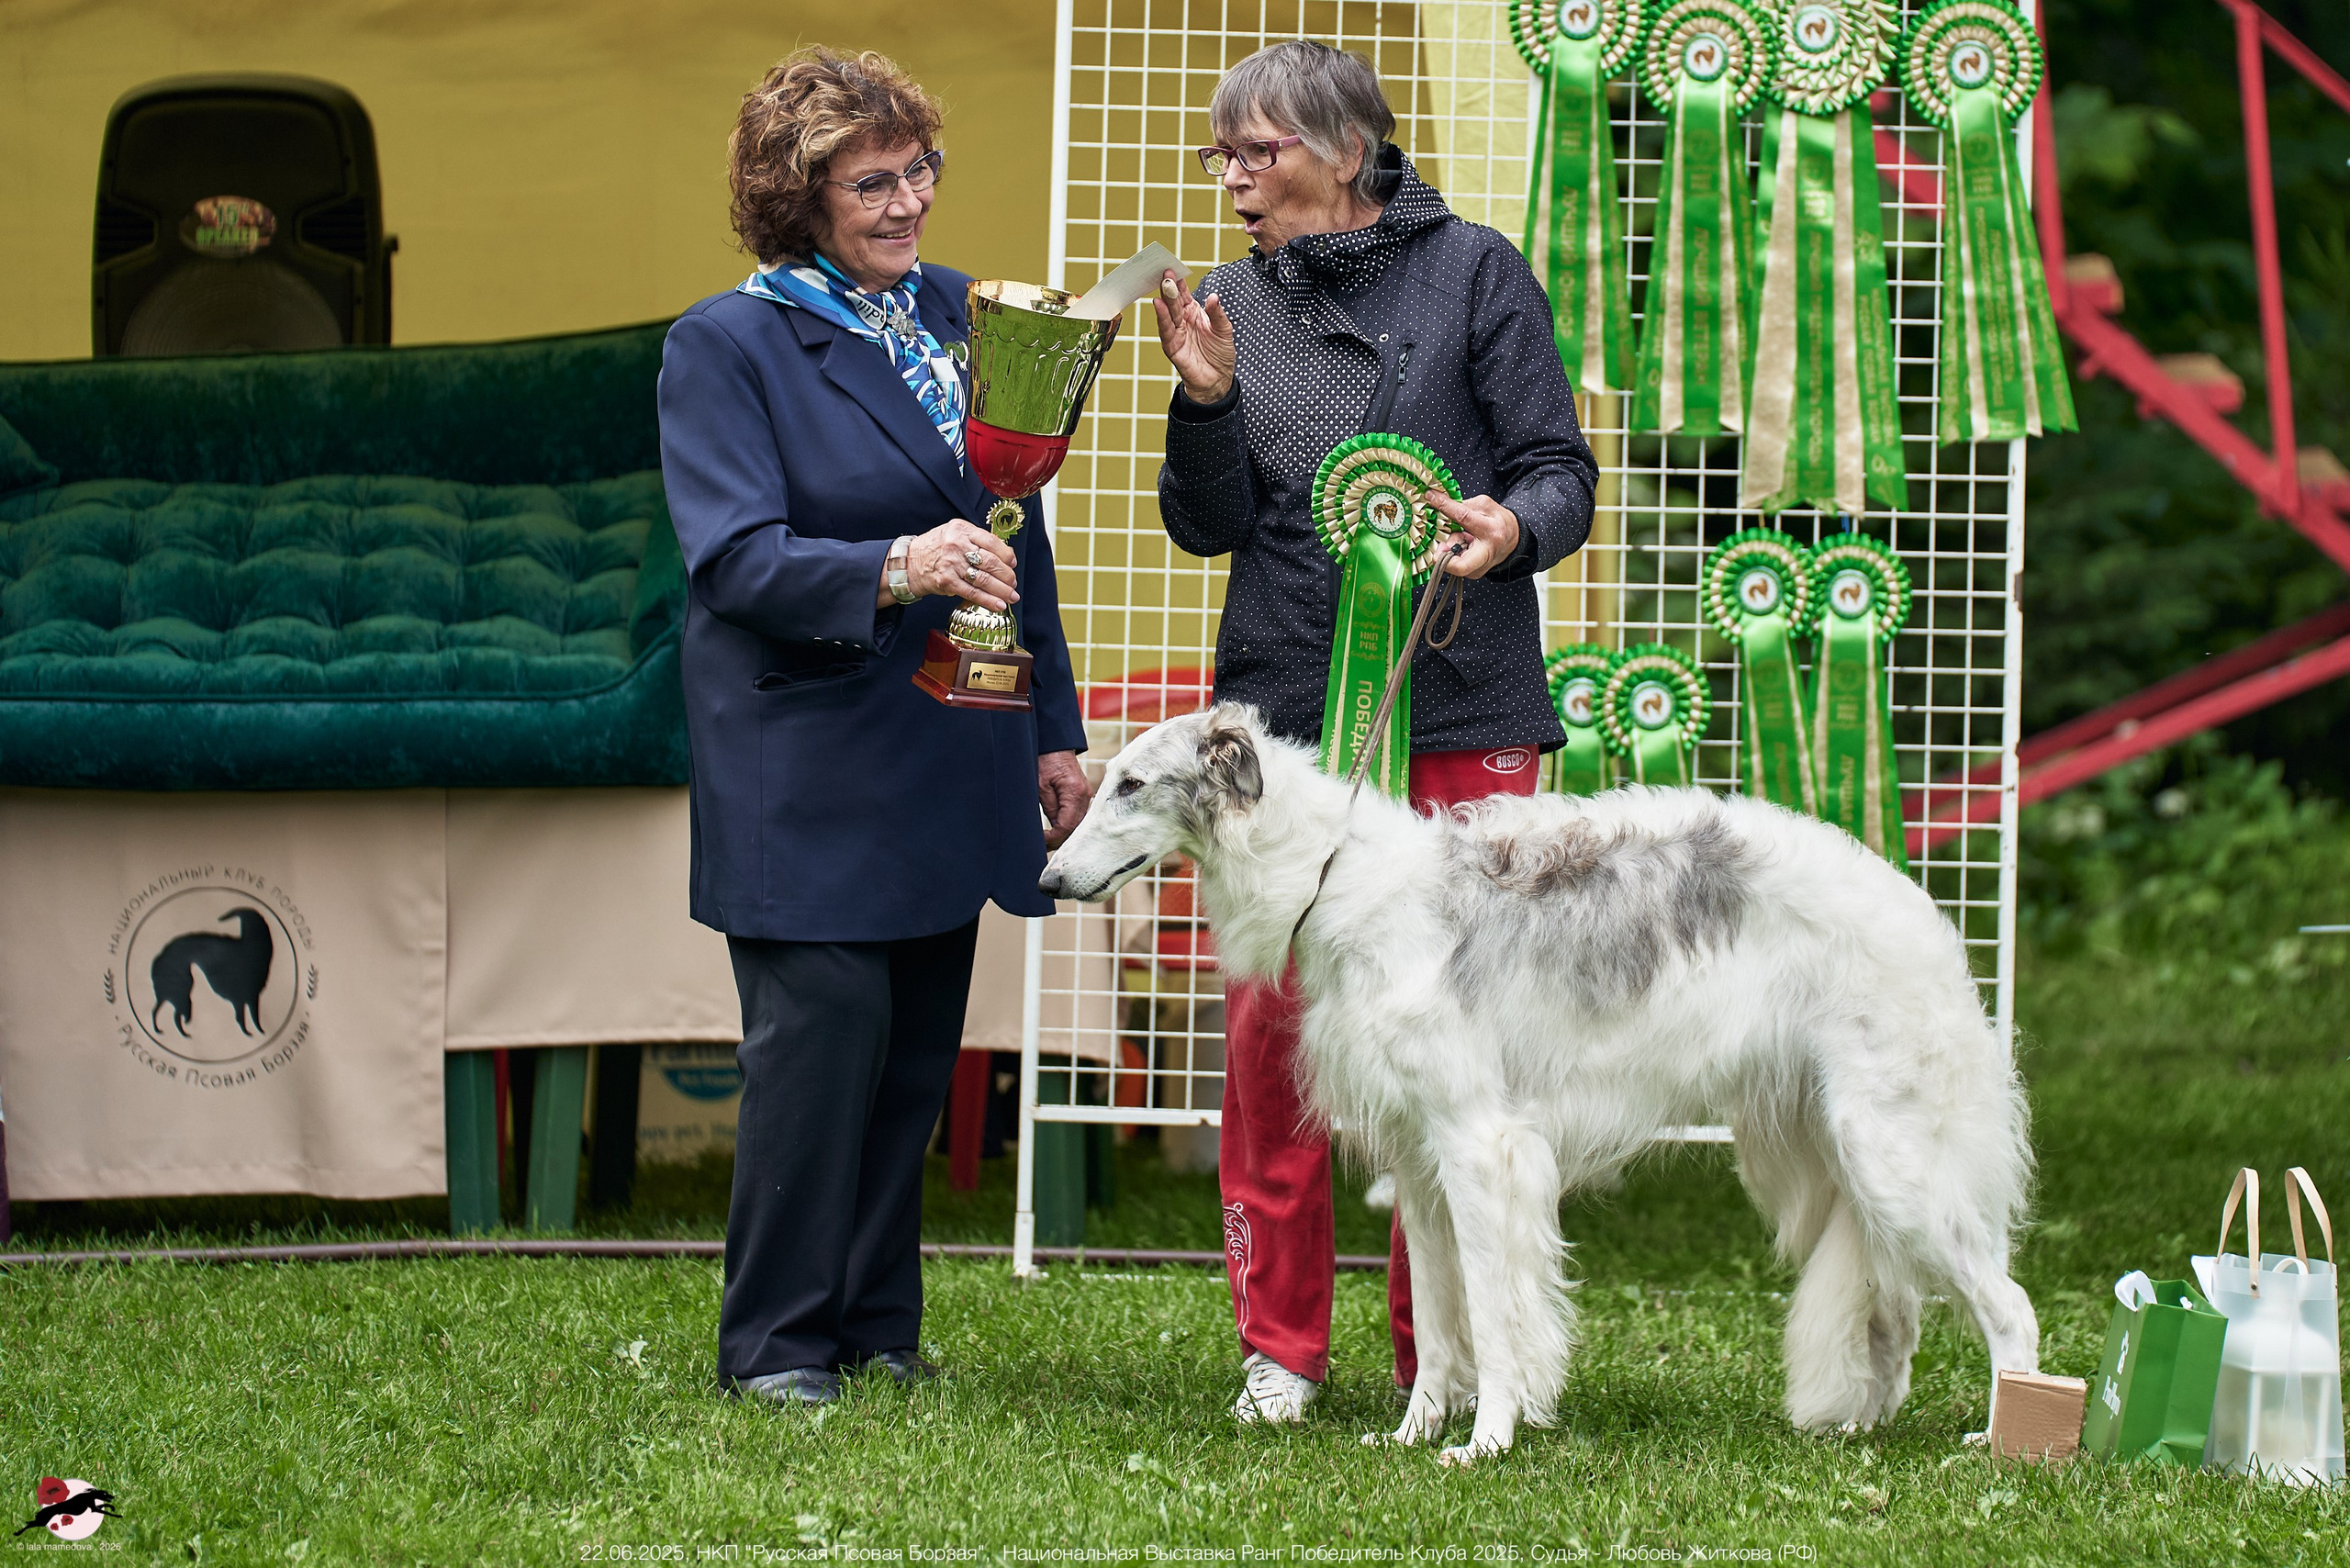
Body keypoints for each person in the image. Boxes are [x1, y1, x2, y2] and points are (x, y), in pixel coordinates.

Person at [1153, 39, 1600, 1423]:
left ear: (1349, 152)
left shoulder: (1476, 272)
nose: (1234, 176)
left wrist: (1509, 527)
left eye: (1260, 149)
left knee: (1461, 1043)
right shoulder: (1228, 303)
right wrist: (1205, 401)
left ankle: (1444, 1356)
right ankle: (1279, 1349)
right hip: (1289, 725)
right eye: (1224, 153)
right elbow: (1203, 526)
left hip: (1461, 694)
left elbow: (1560, 472)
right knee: (1276, 1043)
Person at [658, 47, 1091, 1407]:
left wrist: (1057, 731)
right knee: (818, 1063)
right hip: (810, 759)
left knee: (909, 1062)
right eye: (871, 184)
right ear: (799, 199)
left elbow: (1020, 538)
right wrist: (900, 567)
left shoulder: (967, 312)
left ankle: (874, 1332)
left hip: (954, 744)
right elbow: (733, 559)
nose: (907, 203)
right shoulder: (723, 345)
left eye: (920, 171)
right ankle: (777, 1348)